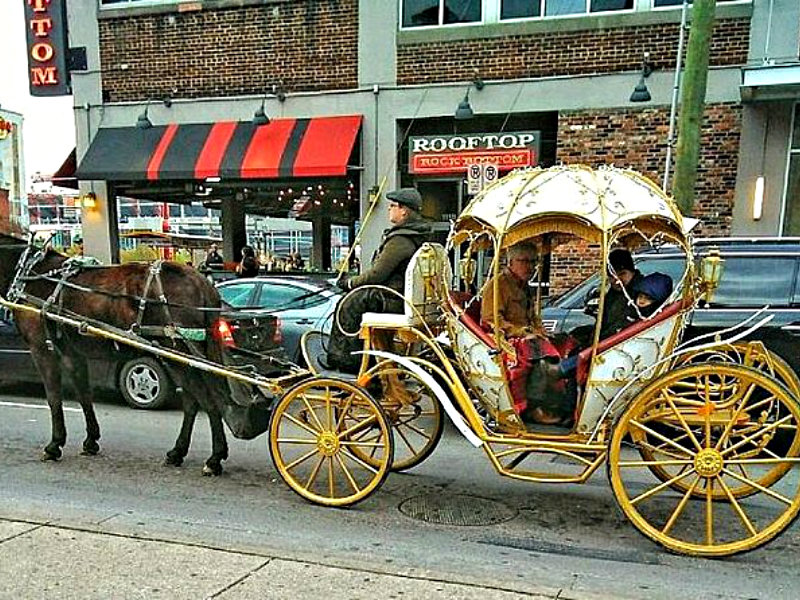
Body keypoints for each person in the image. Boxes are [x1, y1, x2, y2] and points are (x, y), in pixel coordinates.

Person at [326, 187, 431, 373]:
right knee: (356, 298)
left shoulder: (400, 240)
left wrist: (349, 283)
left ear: (404, 210)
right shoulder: (416, 237)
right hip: (402, 299)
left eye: (392, 206)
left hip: (391, 300)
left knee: (348, 302)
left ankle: (345, 360)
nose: (389, 209)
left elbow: (377, 275)